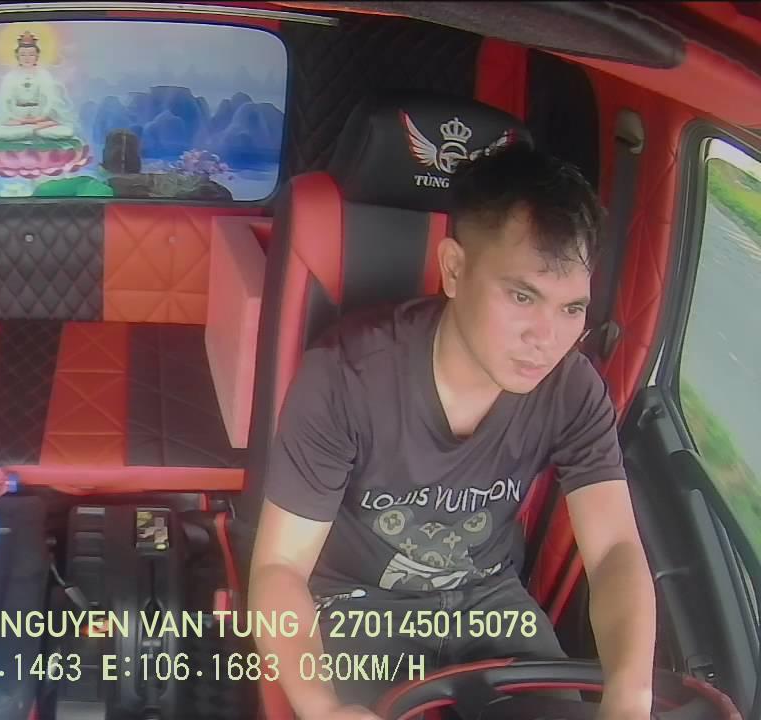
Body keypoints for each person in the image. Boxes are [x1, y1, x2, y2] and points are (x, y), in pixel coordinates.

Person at [249, 144, 656, 720]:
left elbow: (615, 549)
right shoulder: (345, 376)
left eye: (571, 309)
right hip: (356, 606)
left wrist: (631, 695)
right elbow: (280, 568)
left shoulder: (572, 388)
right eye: (522, 296)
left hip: (492, 604)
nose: (547, 339)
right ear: (455, 270)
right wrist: (322, 707)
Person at [0, 30, 76, 141]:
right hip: (17, 120)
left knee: (66, 132)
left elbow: (50, 101)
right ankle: (32, 130)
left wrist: (40, 119)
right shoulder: (10, 76)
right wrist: (18, 120)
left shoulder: (44, 75)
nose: (27, 58)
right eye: (23, 55)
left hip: (40, 119)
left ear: (37, 56)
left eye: (31, 54)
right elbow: (4, 103)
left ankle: (30, 130)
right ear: (17, 56)